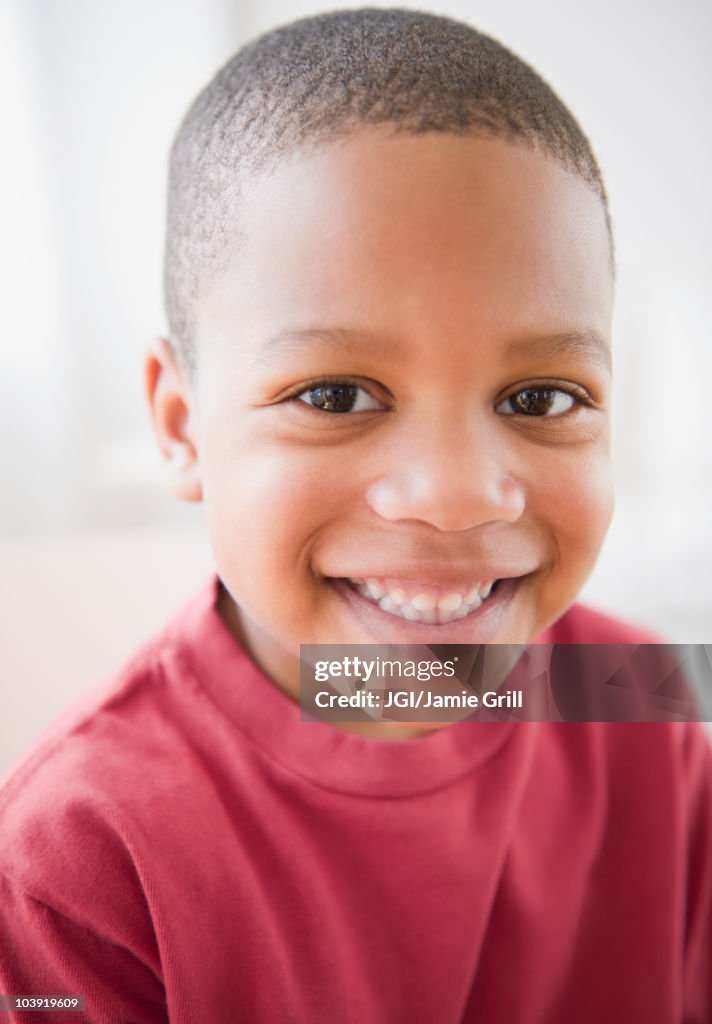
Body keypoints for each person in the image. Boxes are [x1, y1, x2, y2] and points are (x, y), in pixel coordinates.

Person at [1, 9, 710, 1022]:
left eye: (541, 398)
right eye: (335, 395)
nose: (460, 493)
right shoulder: (77, 861)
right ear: (180, 423)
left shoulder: (644, 700)